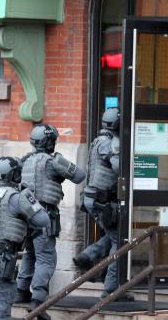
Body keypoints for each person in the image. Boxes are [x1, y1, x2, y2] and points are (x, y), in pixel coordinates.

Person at [15, 124, 86, 318]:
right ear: (49, 142)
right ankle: (38, 300)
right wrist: (61, 162)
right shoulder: (52, 162)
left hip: (26, 215)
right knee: (46, 259)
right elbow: (80, 176)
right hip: (44, 215)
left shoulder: (24, 161)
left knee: (30, 254)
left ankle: (21, 291)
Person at [0, 156, 50, 320]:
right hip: (2, 256)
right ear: (15, 175)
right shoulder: (16, 197)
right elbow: (43, 220)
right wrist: (29, 196)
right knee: (0, 301)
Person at [73, 107, 133, 302]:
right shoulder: (109, 143)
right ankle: (111, 289)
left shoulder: (98, 140)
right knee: (120, 241)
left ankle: (89, 255)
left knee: (114, 234)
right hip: (102, 199)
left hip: (94, 197)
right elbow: (119, 167)